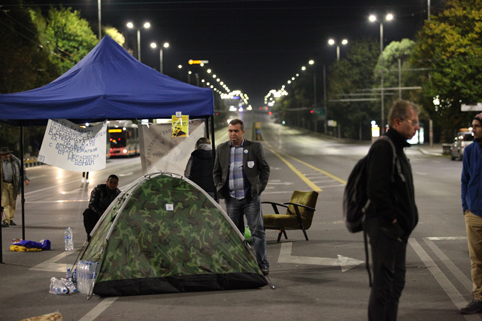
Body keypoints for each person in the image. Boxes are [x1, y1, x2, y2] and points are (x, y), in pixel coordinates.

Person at [364, 100, 420, 321]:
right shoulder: (384, 146)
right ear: (398, 122)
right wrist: (394, 223)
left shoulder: (397, 147)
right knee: (384, 288)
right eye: (413, 122)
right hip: (386, 230)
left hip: (396, 232)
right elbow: (376, 190)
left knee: (395, 286)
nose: (416, 127)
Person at [213, 119, 270, 275]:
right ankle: (241, 264)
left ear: (243, 132)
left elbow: (264, 169)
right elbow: (216, 172)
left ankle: (262, 263)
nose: (233, 134)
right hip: (231, 199)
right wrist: (220, 188)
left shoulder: (254, 147)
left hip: (250, 197)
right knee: (236, 234)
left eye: (236, 131)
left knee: (257, 232)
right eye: (230, 131)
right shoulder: (222, 149)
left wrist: (259, 188)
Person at [460, 112, 482, 314]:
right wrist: (465, 207)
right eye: (472, 125)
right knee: (476, 261)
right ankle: (479, 298)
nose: (472, 129)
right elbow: (465, 180)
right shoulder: (470, 151)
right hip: (474, 213)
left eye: (476, 126)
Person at [83, 174, 120, 240]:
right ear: (107, 182)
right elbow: (92, 204)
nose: (112, 185)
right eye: (111, 182)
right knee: (87, 212)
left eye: (115, 183)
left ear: (117, 184)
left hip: (110, 217)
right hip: (97, 215)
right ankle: (91, 237)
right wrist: (101, 214)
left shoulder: (118, 194)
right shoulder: (98, 189)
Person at [0, 147, 30, 227]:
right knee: (5, 203)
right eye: (4, 155)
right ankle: (5, 220)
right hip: (3, 185)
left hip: (13, 184)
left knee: (12, 203)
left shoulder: (15, 160)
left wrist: (26, 179)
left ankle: (10, 219)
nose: (6, 156)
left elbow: (23, 170)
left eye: (7, 154)